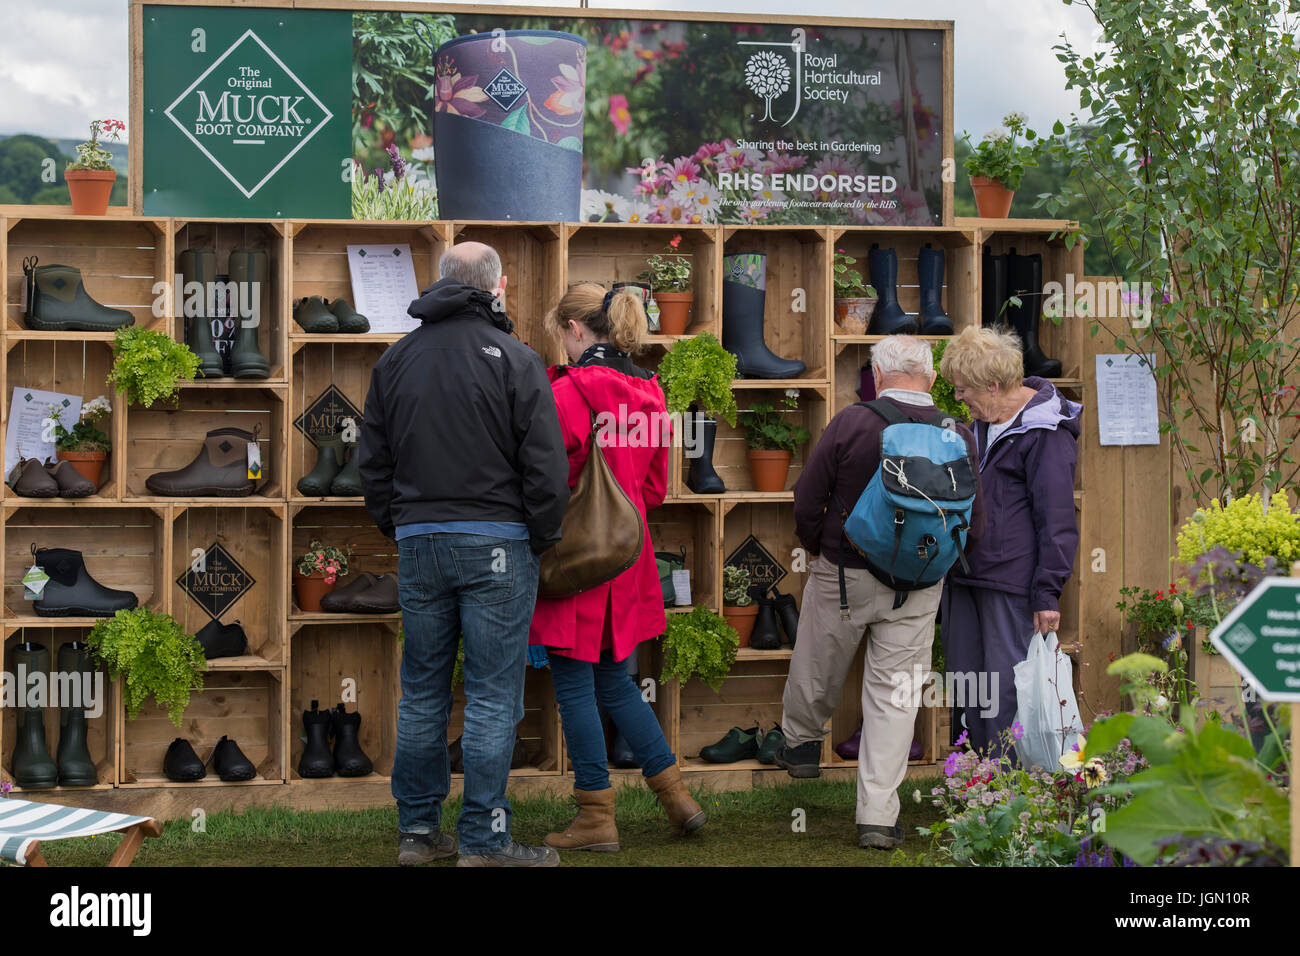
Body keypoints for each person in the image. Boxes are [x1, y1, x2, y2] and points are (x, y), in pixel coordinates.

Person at [358, 241, 570, 868]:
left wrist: (400, 526)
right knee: (493, 695)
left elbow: (372, 463)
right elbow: (546, 469)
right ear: (497, 287)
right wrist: (541, 535)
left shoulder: (395, 360)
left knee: (421, 690)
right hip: (499, 542)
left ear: (442, 283)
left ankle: (419, 836)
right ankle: (484, 841)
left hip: (421, 540)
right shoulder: (515, 357)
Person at [778, 335, 984, 850]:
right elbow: (973, 522)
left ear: (876, 374)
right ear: (931, 380)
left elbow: (807, 498)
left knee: (818, 662)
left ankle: (801, 746)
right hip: (918, 584)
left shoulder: (853, 421)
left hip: (845, 573)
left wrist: (818, 545)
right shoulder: (957, 432)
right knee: (896, 698)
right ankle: (876, 817)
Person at [530, 283, 706, 853]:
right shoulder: (651, 394)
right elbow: (654, 488)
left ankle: (595, 818)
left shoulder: (566, 394)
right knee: (616, 680)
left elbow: (547, 483)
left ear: (576, 331)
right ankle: (677, 798)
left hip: (574, 557)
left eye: (561, 334)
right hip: (627, 558)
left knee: (575, 685)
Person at [938, 325, 1081, 758]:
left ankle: (1012, 800)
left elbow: (1056, 519)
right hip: (965, 577)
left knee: (1005, 694)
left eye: (963, 389)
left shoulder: (1045, 432)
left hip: (1010, 584)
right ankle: (974, 785)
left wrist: (1047, 592)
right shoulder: (979, 425)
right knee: (968, 687)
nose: (958, 398)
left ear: (994, 386)